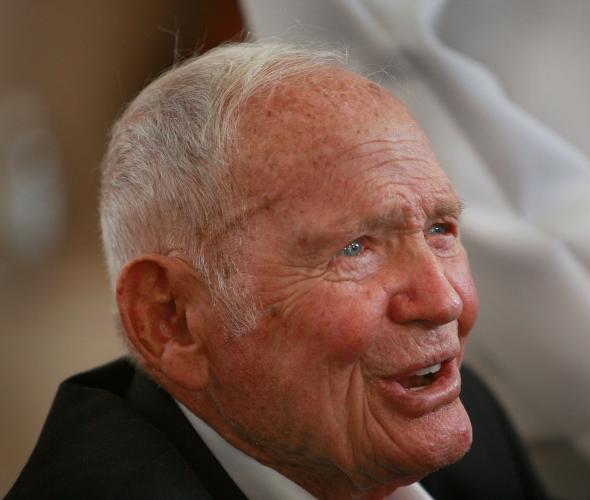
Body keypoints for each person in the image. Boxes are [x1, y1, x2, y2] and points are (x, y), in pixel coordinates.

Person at [7, 42, 548, 499]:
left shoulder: (452, 411)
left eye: (440, 230)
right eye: (356, 248)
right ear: (171, 319)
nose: (445, 301)